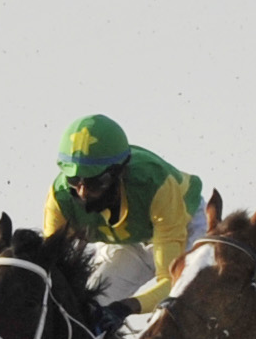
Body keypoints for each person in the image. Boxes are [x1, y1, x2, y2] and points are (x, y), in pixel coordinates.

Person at [43, 115, 202, 315]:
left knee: (178, 310)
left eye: (93, 182)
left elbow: (172, 283)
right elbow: (50, 269)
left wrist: (127, 307)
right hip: (127, 241)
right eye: (74, 180)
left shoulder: (155, 186)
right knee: (88, 310)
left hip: (184, 229)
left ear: (119, 173)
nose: (82, 192)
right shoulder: (60, 200)